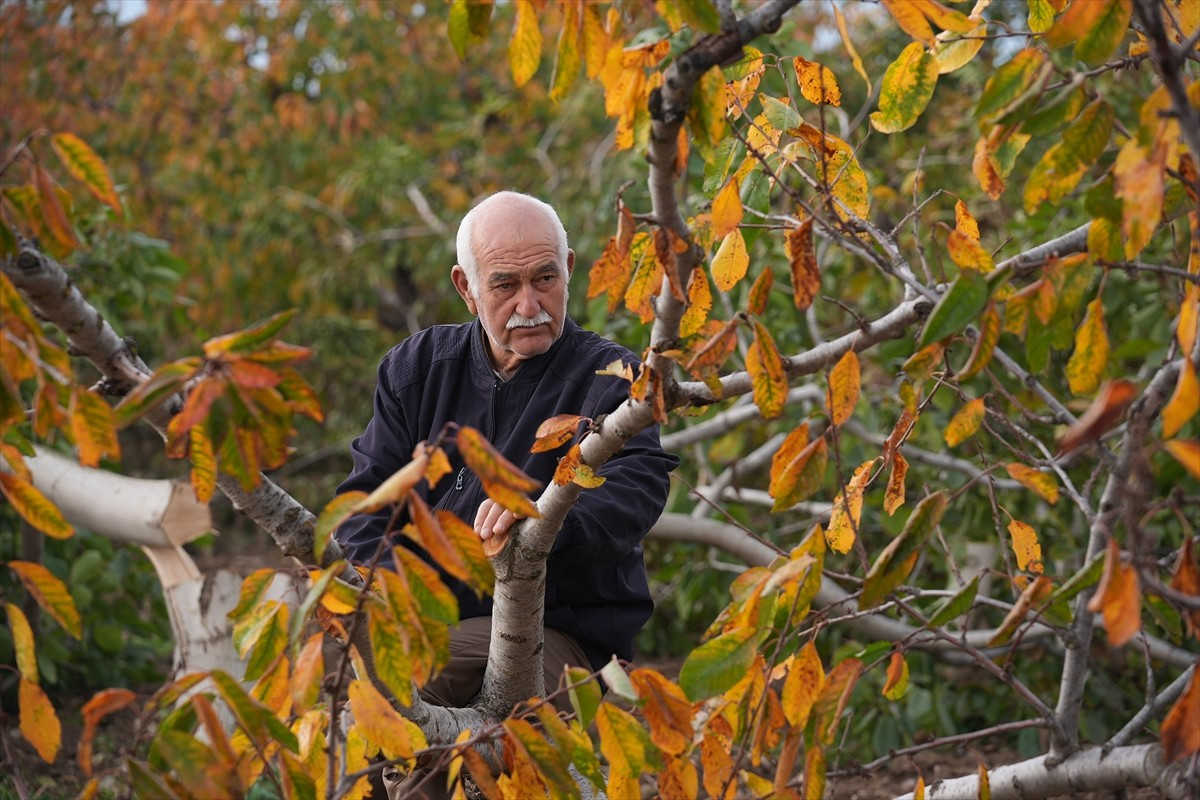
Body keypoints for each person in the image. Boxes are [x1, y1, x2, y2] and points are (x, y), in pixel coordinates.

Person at [335, 190, 677, 721]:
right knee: (354, 690)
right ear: (466, 288)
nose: (529, 305)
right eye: (505, 284)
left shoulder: (609, 379)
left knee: (411, 682)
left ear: (567, 269)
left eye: (544, 278)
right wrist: (396, 594)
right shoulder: (417, 369)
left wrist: (546, 518)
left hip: (566, 634)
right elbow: (363, 503)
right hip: (433, 620)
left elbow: (638, 485)